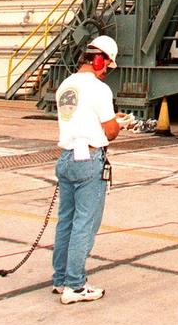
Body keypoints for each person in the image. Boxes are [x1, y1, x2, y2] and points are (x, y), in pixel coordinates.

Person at [52, 34, 125, 305]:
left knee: (66, 222)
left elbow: (82, 118)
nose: (107, 71)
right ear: (98, 60)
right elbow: (109, 131)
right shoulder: (99, 89)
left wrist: (108, 121)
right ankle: (76, 286)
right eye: (107, 65)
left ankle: (61, 279)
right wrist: (119, 124)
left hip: (67, 159)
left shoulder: (65, 85)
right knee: (85, 224)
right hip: (88, 160)